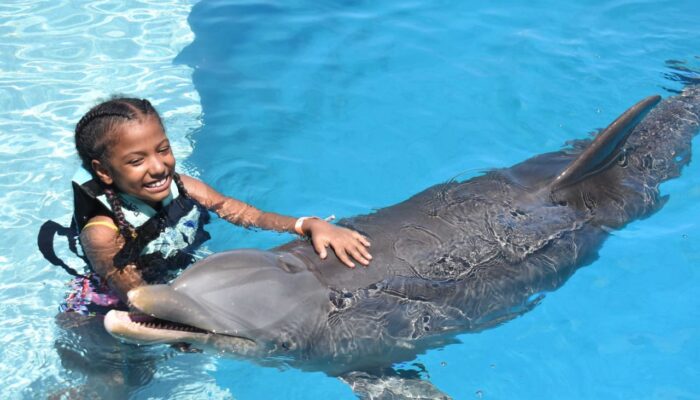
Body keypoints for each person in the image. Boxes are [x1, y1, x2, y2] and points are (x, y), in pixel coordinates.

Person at [45, 96, 372, 313]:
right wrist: (177, 323)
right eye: (136, 160)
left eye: (163, 149)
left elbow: (245, 213)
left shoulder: (185, 186)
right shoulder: (102, 233)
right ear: (103, 171)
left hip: (169, 284)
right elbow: (133, 295)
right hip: (108, 306)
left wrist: (307, 225)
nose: (158, 167)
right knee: (117, 380)